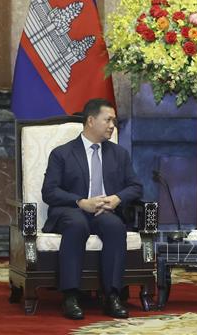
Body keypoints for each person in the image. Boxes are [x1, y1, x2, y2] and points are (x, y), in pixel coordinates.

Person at [41, 98, 143, 320]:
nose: (112, 126)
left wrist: (117, 198)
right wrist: (80, 202)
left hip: (104, 212)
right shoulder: (62, 154)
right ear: (90, 121)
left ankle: (112, 296)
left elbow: (136, 187)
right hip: (71, 211)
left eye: (113, 121)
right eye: (107, 120)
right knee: (76, 224)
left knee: (115, 226)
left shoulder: (119, 154)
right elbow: (49, 192)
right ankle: (70, 296)